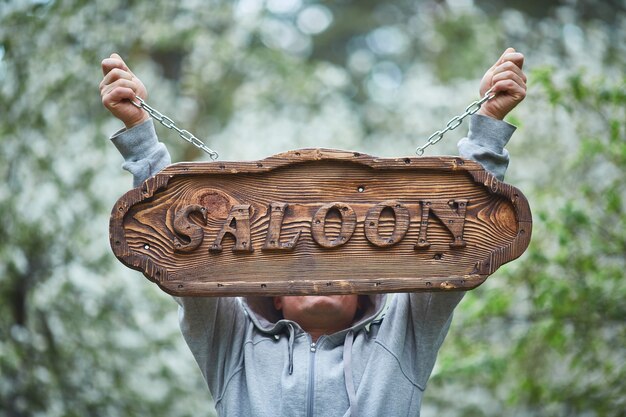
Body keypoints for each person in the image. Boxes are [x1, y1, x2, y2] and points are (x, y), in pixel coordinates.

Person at [100, 48, 526, 417]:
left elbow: (459, 234)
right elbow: (179, 243)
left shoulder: (405, 333)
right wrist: (139, 132)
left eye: (336, 253)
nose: (318, 265)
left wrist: (489, 120)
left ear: (364, 284)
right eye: (297, 257)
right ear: (275, 294)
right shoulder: (230, 340)